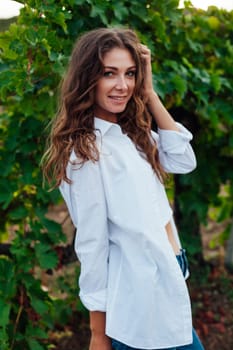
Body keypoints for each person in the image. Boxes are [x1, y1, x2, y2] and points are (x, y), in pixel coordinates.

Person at [42, 28, 205, 350]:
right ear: (88, 78)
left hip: (169, 274)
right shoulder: (86, 150)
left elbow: (184, 160)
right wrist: (98, 333)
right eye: (109, 74)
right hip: (136, 293)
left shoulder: (133, 135)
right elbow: (92, 243)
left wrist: (150, 93)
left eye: (130, 74)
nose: (123, 86)